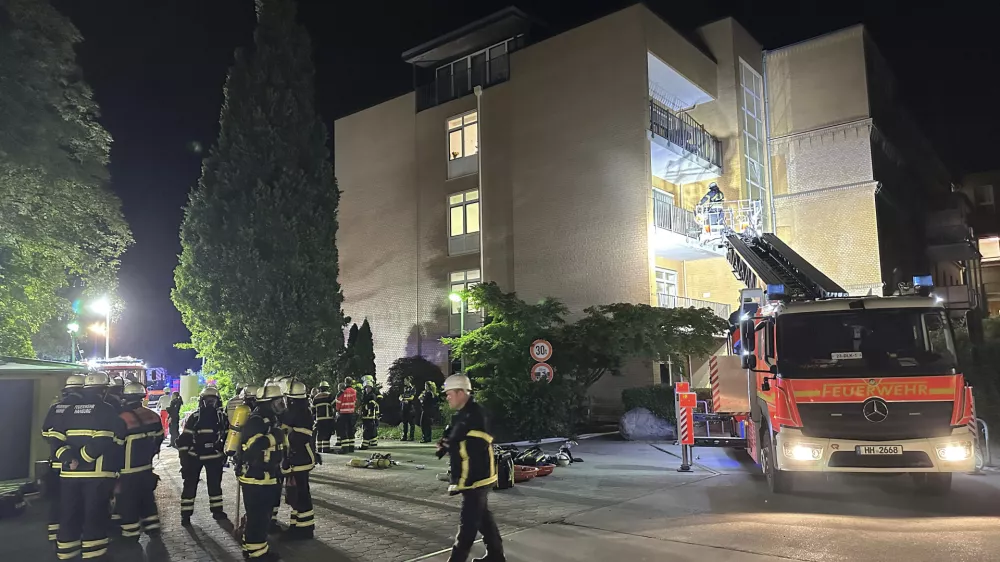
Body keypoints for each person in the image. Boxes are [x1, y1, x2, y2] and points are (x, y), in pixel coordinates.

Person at [47, 372, 126, 562]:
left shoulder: (68, 410)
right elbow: (104, 440)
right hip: (97, 474)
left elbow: (54, 439)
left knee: (69, 513)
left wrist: (69, 459)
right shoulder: (106, 410)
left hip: (69, 474)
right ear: (104, 390)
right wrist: (83, 459)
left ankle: (66, 551)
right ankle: (94, 553)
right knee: (94, 513)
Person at [436, 374, 504, 562]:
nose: (447, 397)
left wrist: (452, 446)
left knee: (468, 526)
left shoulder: (477, 414)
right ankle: (496, 556)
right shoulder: (462, 415)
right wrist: (444, 444)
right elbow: (455, 436)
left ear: (461, 393)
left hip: (477, 478)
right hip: (471, 477)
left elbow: (477, 444)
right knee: (484, 520)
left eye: (449, 393)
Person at [236, 385, 287, 561]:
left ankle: (254, 550)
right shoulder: (256, 421)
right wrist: (274, 437)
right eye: (277, 402)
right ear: (267, 403)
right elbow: (252, 448)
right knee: (258, 518)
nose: (281, 405)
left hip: (266, 476)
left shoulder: (270, 419)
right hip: (256, 478)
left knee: (261, 518)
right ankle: (256, 556)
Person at [40, 373, 86, 543]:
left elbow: (45, 433)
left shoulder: (55, 407)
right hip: (77, 463)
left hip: (56, 461)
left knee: (57, 498)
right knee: (75, 500)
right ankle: (75, 534)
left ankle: (54, 533)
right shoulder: (81, 407)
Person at [117, 382, 164, 541]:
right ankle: (153, 528)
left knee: (128, 502)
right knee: (147, 498)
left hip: (127, 470)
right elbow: (159, 439)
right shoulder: (153, 416)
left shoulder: (122, 418)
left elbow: (115, 445)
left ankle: (130, 535)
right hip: (146, 467)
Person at [176, 387, 229, 525]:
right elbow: (185, 439)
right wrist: (184, 461)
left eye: (212, 400)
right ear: (202, 401)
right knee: (190, 486)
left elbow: (227, 437)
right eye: (207, 400)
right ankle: (186, 514)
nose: (210, 403)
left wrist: (225, 454)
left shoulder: (222, 418)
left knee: (215, 486)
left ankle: (217, 511)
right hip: (195, 457)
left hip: (213, 457)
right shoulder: (195, 417)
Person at [280, 380, 317, 540]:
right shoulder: (296, 410)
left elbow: (301, 436)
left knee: (302, 494)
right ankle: (297, 525)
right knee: (296, 493)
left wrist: (285, 433)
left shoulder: (302, 412)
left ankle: (305, 529)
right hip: (296, 458)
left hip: (301, 458)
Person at [334, 378, 358, 454]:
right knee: (351, 430)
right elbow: (355, 401)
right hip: (351, 413)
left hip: (343, 414)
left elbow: (338, 404)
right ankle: (351, 447)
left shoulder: (342, 392)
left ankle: (345, 448)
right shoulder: (354, 391)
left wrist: (338, 410)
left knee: (343, 431)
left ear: (345, 382)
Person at [311, 382, 335, 453]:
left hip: (318, 419)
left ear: (320, 388)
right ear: (327, 388)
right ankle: (325, 448)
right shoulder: (329, 395)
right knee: (326, 433)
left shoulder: (315, 397)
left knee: (320, 433)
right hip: (327, 418)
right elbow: (334, 405)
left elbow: (313, 409)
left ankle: (319, 448)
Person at [359, 380, 380, 450]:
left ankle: (364, 445)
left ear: (371, 388)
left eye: (369, 387)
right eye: (366, 387)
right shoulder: (365, 395)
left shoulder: (372, 396)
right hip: (366, 416)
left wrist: (363, 408)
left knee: (367, 430)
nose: (367, 389)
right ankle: (373, 442)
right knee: (371, 429)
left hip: (369, 416)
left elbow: (371, 405)